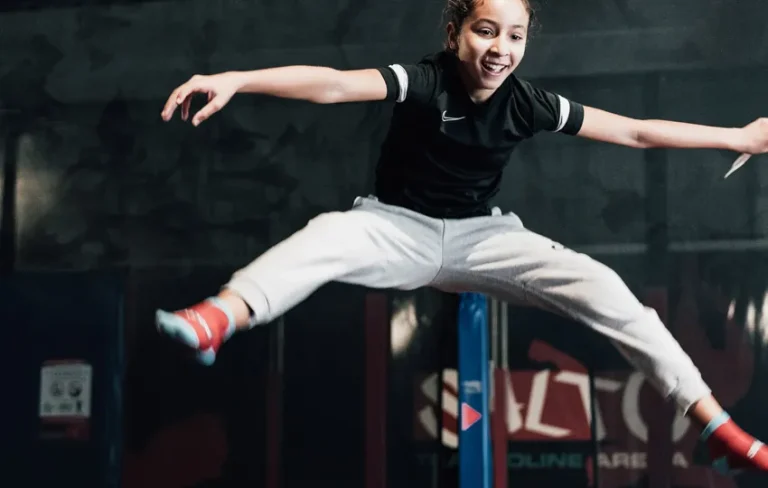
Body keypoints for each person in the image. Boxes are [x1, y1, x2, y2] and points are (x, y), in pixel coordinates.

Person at [156, 0, 768, 475]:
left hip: (483, 238)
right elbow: (335, 84)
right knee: (328, 236)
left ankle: (719, 432)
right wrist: (238, 77)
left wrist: (739, 137)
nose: (500, 48)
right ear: (455, 35)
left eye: (515, 36)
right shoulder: (425, 81)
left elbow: (636, 133)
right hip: (397, 229)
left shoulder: (528, 104)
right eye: (485, 30)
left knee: (606, 287)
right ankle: (220, 317)